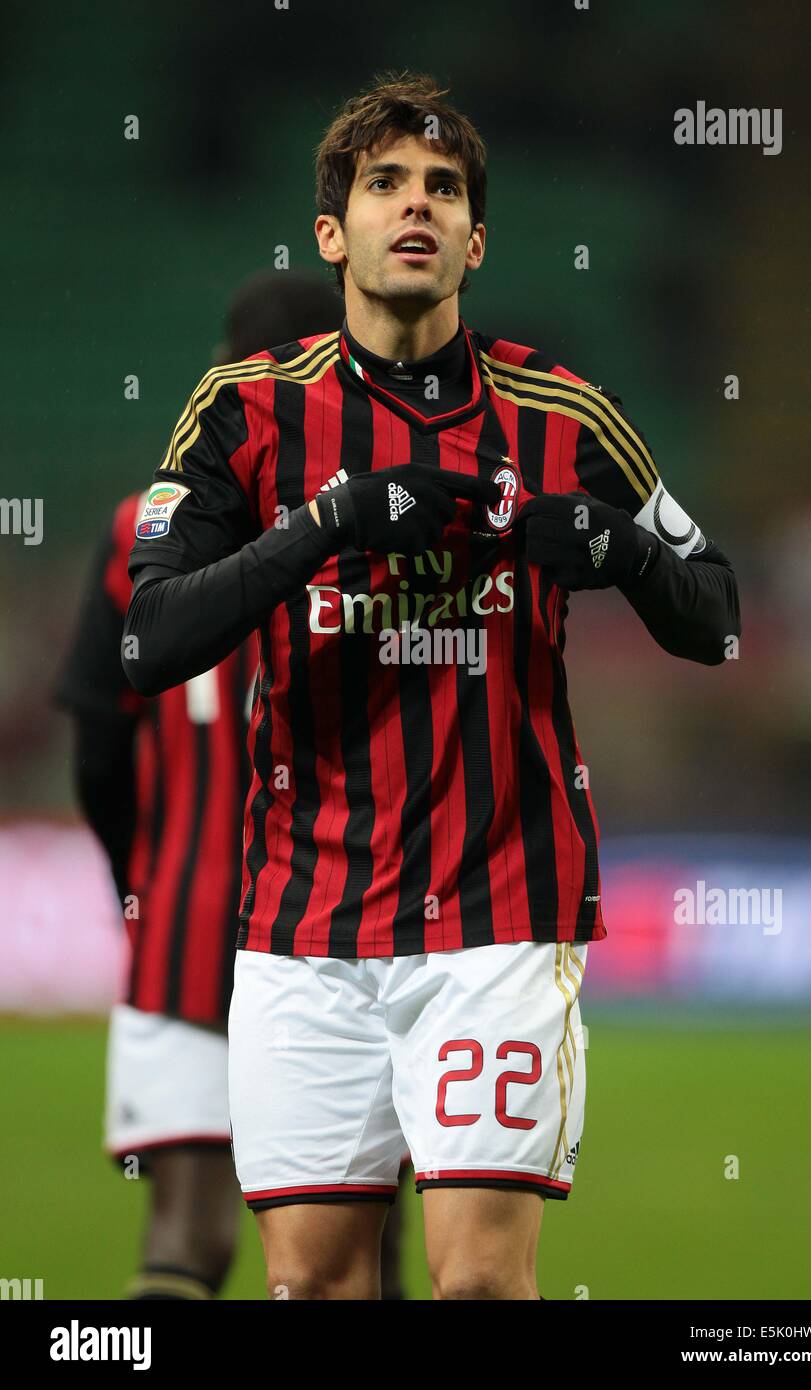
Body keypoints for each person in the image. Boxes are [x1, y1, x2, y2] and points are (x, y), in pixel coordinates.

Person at [121, 73, 740, 1300]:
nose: (417, 206)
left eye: (443, 189)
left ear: (475, 238)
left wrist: (617, 551)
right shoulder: (246, 412)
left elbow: (713, 615)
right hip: (303, 925)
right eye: (385, 184)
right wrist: (320, 528)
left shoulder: (563, 415)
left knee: (473, 1286)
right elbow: (147, 641)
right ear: (331, 232)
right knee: (315, 1285)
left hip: (499, 913)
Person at [54, 271, 405, 1299]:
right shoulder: (365, 537)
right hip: (337, 917)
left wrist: (142, 879)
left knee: (184, 1238)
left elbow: (93, 741)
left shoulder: (137, 530)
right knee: (354, 1248)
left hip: (181, 919)